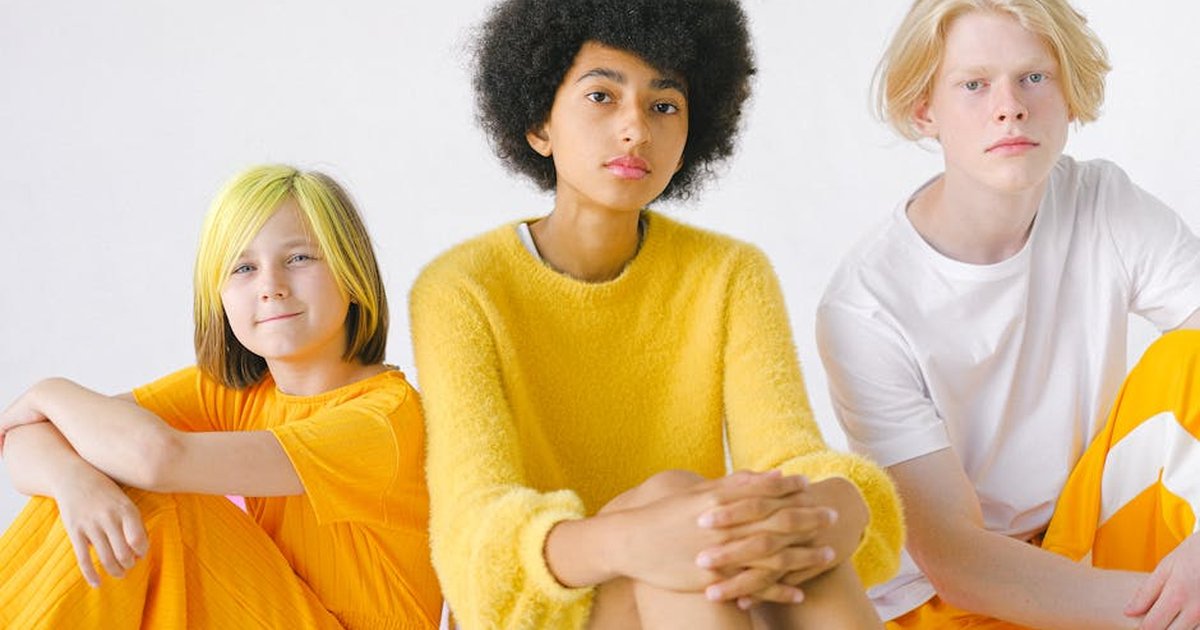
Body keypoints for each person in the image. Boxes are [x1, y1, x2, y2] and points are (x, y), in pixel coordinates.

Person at [409, 1, 903, 628]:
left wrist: (842, 506)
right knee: (687, 510)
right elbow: (474, 528)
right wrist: (639, 536)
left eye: (664, 105)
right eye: (600, 97)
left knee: (797, 544)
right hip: (546, 605)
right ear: (539, 124)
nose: (635, 130)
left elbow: (787, 456)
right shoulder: (461, 289)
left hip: (703, 573)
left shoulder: (728, 273)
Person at [816, 1, 1200, 628]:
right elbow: (958, 559)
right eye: (974, 84)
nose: (1010, 106)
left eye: (1034, 77)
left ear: (1069, 94)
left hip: (1084, 537)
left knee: (1189, 360)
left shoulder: (1103, 203)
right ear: (924, 110)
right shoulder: (865, 307)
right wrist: (1169, 612)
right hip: (957, 599)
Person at [0, 165, 441, 629]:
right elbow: (23, 439)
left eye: (299, 259)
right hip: (276, 613)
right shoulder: (236, 393)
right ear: (221, 298)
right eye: (244, 268)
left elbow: (156, 460)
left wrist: (48, 391)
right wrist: (73, 482)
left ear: (352, 274)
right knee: (94, 490)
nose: (271, 286)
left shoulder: (383, 420)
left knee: (151, 497)